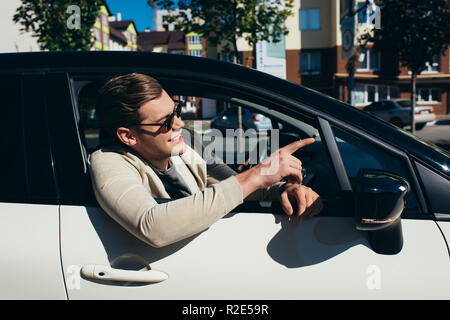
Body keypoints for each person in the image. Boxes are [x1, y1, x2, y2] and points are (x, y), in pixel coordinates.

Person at [88, 73, 322, 248]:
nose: (179, 123)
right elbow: (153, 226)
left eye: (176, 111)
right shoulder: (109, 161)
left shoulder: (187, 144)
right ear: (128, 136)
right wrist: (258, 174)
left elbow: (235, 185)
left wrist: (287, 189)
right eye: (165, 121)